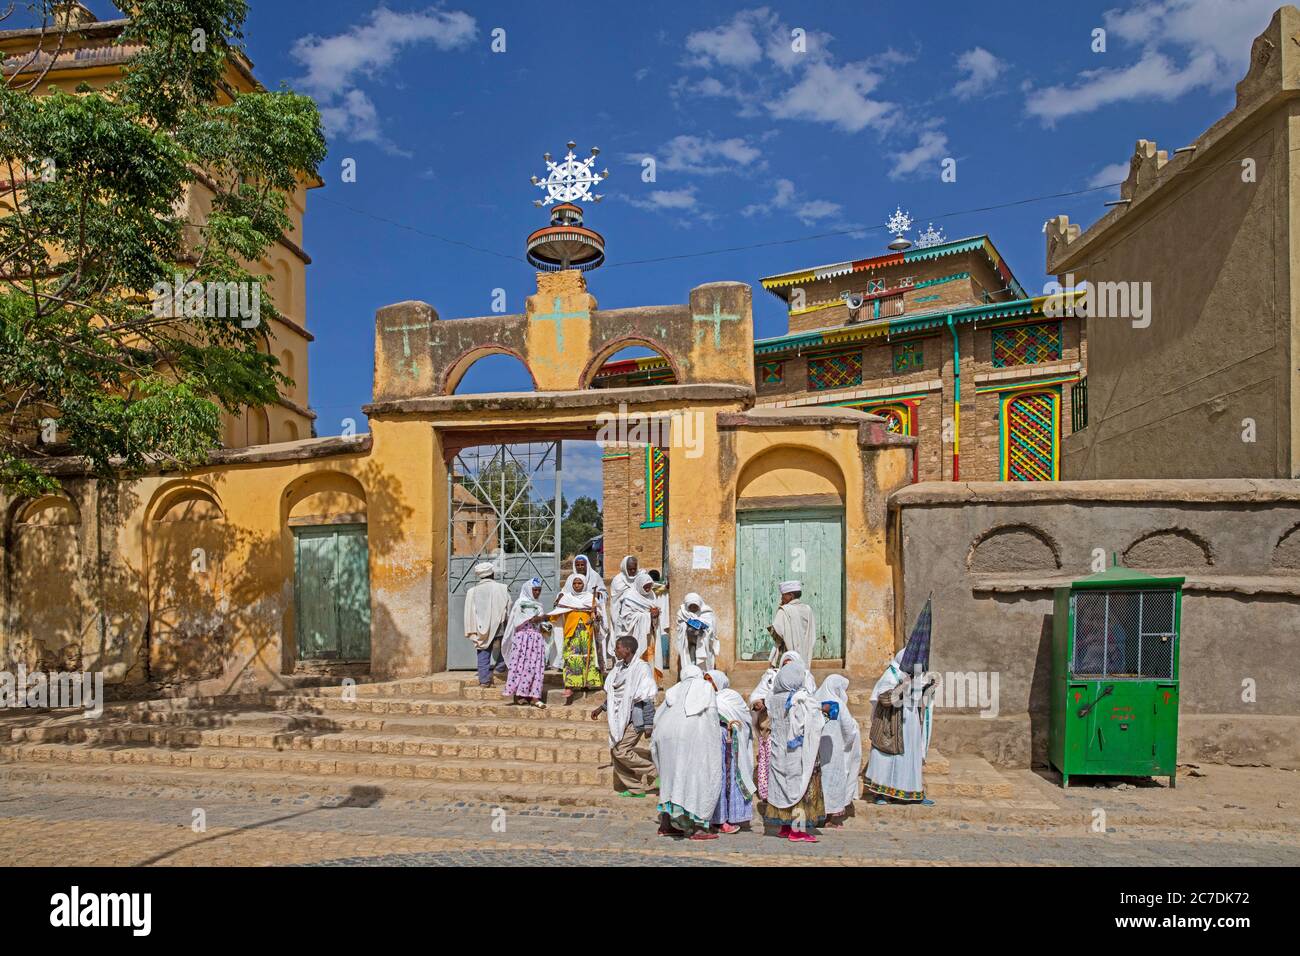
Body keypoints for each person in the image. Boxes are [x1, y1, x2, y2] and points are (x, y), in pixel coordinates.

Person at [863, 609, 936, 806]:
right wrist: (903, 686)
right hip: (891, 724)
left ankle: (912, 792)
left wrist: (927, 686)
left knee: (909, 758)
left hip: (910, 723)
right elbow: (884, 698)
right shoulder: (890, 675)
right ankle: (880, 793)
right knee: (886, 759)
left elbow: (921, 697)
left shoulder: (912, 676)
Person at [760, 659, 835, 843]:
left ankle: (785, 827)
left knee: (783, 788)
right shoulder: (800, 698)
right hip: (796, 753)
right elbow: (811, 720)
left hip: (779, 752)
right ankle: (797, 831)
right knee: (798, 790)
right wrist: (824, 710)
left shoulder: (773, 698)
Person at [651, 664, 722, 840]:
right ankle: (698, 828)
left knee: (670, 780)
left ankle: (666, 824)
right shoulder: (705, 687)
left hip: (665, 736)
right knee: (696, 780)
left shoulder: (675, 689)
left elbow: (659, 716)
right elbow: (712, 716)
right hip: (691, 738)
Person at [591, 635, 658, 797]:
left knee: (621, 751)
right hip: (619, 718)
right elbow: (617, 696)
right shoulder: (618, 668)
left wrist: (649, 724)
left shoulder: (641, 668)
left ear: (627, 650)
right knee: (615, 751)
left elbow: (646, 696)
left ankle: (655, 772)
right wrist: (601, 708)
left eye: (618, 647)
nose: (615, 650)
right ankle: (635, 788)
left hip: (636, 718)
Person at [747, 649, 816, 802]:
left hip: (796, 736)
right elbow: (757, 697)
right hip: (772, 731)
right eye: (785, 664)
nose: (787, 668)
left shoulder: (805, 679)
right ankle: (770, 794)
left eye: (791, 665)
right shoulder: (772, 678)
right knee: (773, 763)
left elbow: (810, 701)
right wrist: (759, 703)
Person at [705, 670, 755, 834]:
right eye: (705, 681)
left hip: (733, 747)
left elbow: (744, 720)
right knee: (716, 780)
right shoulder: (704, 698)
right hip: (713, 746)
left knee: (731, 780)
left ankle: (732, 817)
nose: (707, 685)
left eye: (710, 681)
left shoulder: (731, 697)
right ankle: (717, 819)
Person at [815, 674, 862, 824]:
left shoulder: (814, 699)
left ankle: (816, 815)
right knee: (832, 781)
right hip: (834, 750)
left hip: (815, 749)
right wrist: (846, 745)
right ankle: (829, 818)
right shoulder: (837, 704)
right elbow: (849, 729)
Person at [548, 572, 603, 700]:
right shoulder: (566, 598)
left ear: (584, 585)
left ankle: (586, 683)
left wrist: (594, 616)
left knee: (587, 657)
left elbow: (599, 614)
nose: (577, 585)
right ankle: (570, 685)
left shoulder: (590, 598)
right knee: (571, 658)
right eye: (575, 583)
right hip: (571, 633)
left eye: (580, 583)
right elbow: (556, 613)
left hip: (586, 632)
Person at [463, 562, 510, 688]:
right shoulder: (502, 588)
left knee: (483, 650)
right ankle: (500, 668)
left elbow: (469, 612)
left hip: (479, 626)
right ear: (492, 574)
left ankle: (484, 680)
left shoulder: (472, 591)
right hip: (499, 625)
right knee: (505, 645)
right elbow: (508, 606)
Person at [502, 578, 547, 707]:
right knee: (521, 666)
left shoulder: (539, 605)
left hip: (536, 640)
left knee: (535, 668)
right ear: (528, 589)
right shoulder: (520, 604)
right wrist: (536, 619)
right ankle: (519, 695)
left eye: (539, 590)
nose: (537, 593)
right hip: (522, 640)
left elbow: (540, 622)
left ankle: (534, 696)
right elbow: (518, 621)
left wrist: (545, 623)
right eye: (535, 590)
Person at [770, 580, 817, 664]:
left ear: (790, 596)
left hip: (787, 656)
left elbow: (776, 633)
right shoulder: (808, 609)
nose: (781, 598)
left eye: (783, 595)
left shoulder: (784, 610)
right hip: (804, 655)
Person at [675, 592, 719, 673]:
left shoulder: (706, 612)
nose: (693, 608)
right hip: (689, 641)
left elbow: (712, 628)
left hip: (703, 642)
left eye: (695, 606)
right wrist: (687, 626)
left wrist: (703, 628)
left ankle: (703, 677)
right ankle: (691, 677)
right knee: (691, 662)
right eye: (690, 606)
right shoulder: (682, 613)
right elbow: (679, 627)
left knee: (703, 664)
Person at [608, 554, 638, 621]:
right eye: (630, 569)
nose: (633, 571)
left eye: (634, 569)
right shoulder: (618, 580)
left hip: (638, 613)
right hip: (622, 614)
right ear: (625, 568)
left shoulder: (640, 577)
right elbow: (615, 600)